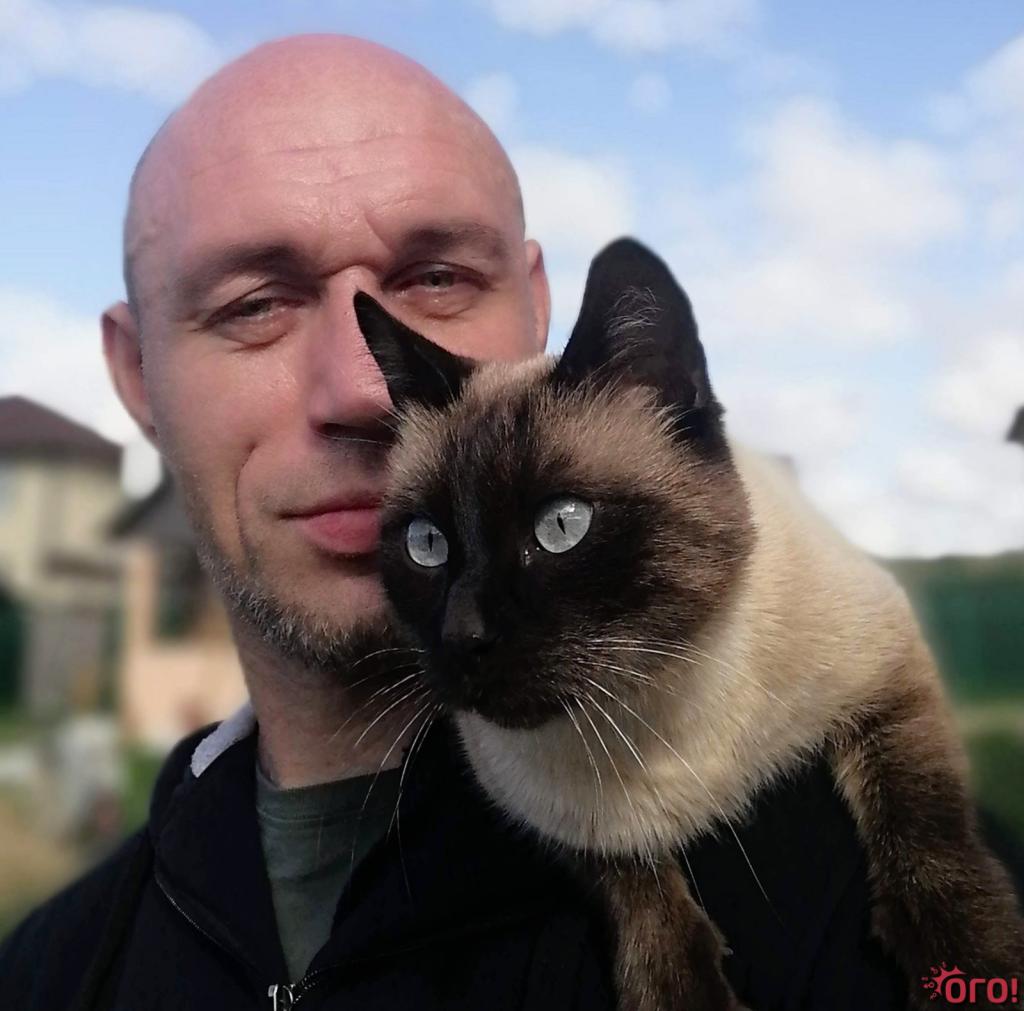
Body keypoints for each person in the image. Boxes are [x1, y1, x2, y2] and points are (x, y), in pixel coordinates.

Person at [0, 33, 981, 1011]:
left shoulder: (836, 898)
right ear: (136, 374)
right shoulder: (50, 972)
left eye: (437, 279)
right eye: (253, 303)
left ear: (539, 306)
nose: (368, 392)